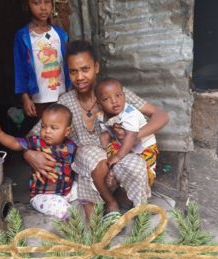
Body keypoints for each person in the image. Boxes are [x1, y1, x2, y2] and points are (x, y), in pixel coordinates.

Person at [24, 40, 169, 222]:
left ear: (96, 67)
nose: (79, 77)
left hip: (117, 159)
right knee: (89, 154)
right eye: (73, 72)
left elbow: (161, 116)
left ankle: (130, 208)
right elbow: (33, 135)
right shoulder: (65, 103)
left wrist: (132, 137)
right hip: (88, 166)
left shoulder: (115, 94)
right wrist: (29, 154)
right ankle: (109, 205)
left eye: (85, 69)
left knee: (135, 165)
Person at [0, 104, 76, 220]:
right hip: (43, 196)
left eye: (53, 128)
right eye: (43, 127)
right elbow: (15, 143)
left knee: (85, 188)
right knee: (63, 210)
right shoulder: (36, 142)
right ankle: (69, 220)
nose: (47, 131)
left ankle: (66, 201)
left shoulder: (71, 147)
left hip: (66, 191)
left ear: (67, 131)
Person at [95, 78, 159, 189]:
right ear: (99, 103)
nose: (114, 101)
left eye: (118, 95)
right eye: (106, 98)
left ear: (124, 95)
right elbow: (105, 133)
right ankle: (114, 175)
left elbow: (131, 136)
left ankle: (146, 181)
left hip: (144, 147)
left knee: (143, 168)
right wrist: (105, 149)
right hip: (123, 145)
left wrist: (118, 156)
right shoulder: (101, 115)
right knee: (110, 153)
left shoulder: (130, 113)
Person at [14, 0, 71, 121]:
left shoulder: (60, 34)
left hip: (62, 94)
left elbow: (67, 63)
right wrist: (25, 97)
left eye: (47, 2)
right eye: (36, 3)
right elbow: (19, 68)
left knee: (63, 126)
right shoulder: (23, 36)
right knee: (45, 129)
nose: (43, 7)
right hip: (38, 98)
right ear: (27, 5)